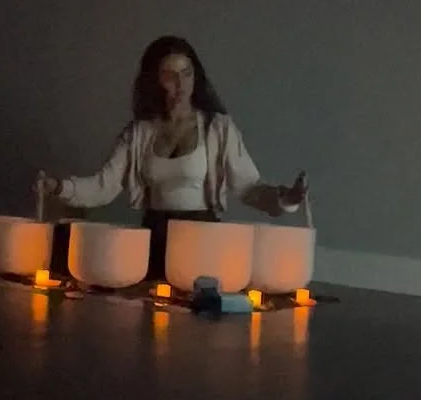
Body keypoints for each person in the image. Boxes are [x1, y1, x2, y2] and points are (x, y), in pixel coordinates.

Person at [39, 35, 309, 279]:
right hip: (154, 236)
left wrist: (287, 199)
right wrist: (60, 187)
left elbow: (249, 187)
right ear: (154, 81)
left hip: (201, 239)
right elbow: (104, 185)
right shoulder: (140, 133)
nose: (180, 84)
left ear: (196, 76)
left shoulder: (218, 128)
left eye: (186, 73)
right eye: (169, 76)